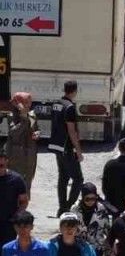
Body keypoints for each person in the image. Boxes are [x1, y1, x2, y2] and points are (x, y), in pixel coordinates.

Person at [48, 80, 84, 216]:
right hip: (66, 147)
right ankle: (68, 207)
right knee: (78, 179)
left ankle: (62, 207)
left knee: (63, 178)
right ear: (74, 91)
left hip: (56, 145)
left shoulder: (57, 104)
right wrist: (79, 151)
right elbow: (71, 131)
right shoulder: (70, 107)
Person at [4, 94, 38, 188]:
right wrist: (23, 117)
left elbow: (35, 128)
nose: (29, 105)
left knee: (27, 183)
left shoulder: (32, 115)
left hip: (30, 154)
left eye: (30, 102)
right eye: (27, 102)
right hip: (16, 155)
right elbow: (14, 133)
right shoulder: (12, 116)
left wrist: (37, 133)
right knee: (15, 182)